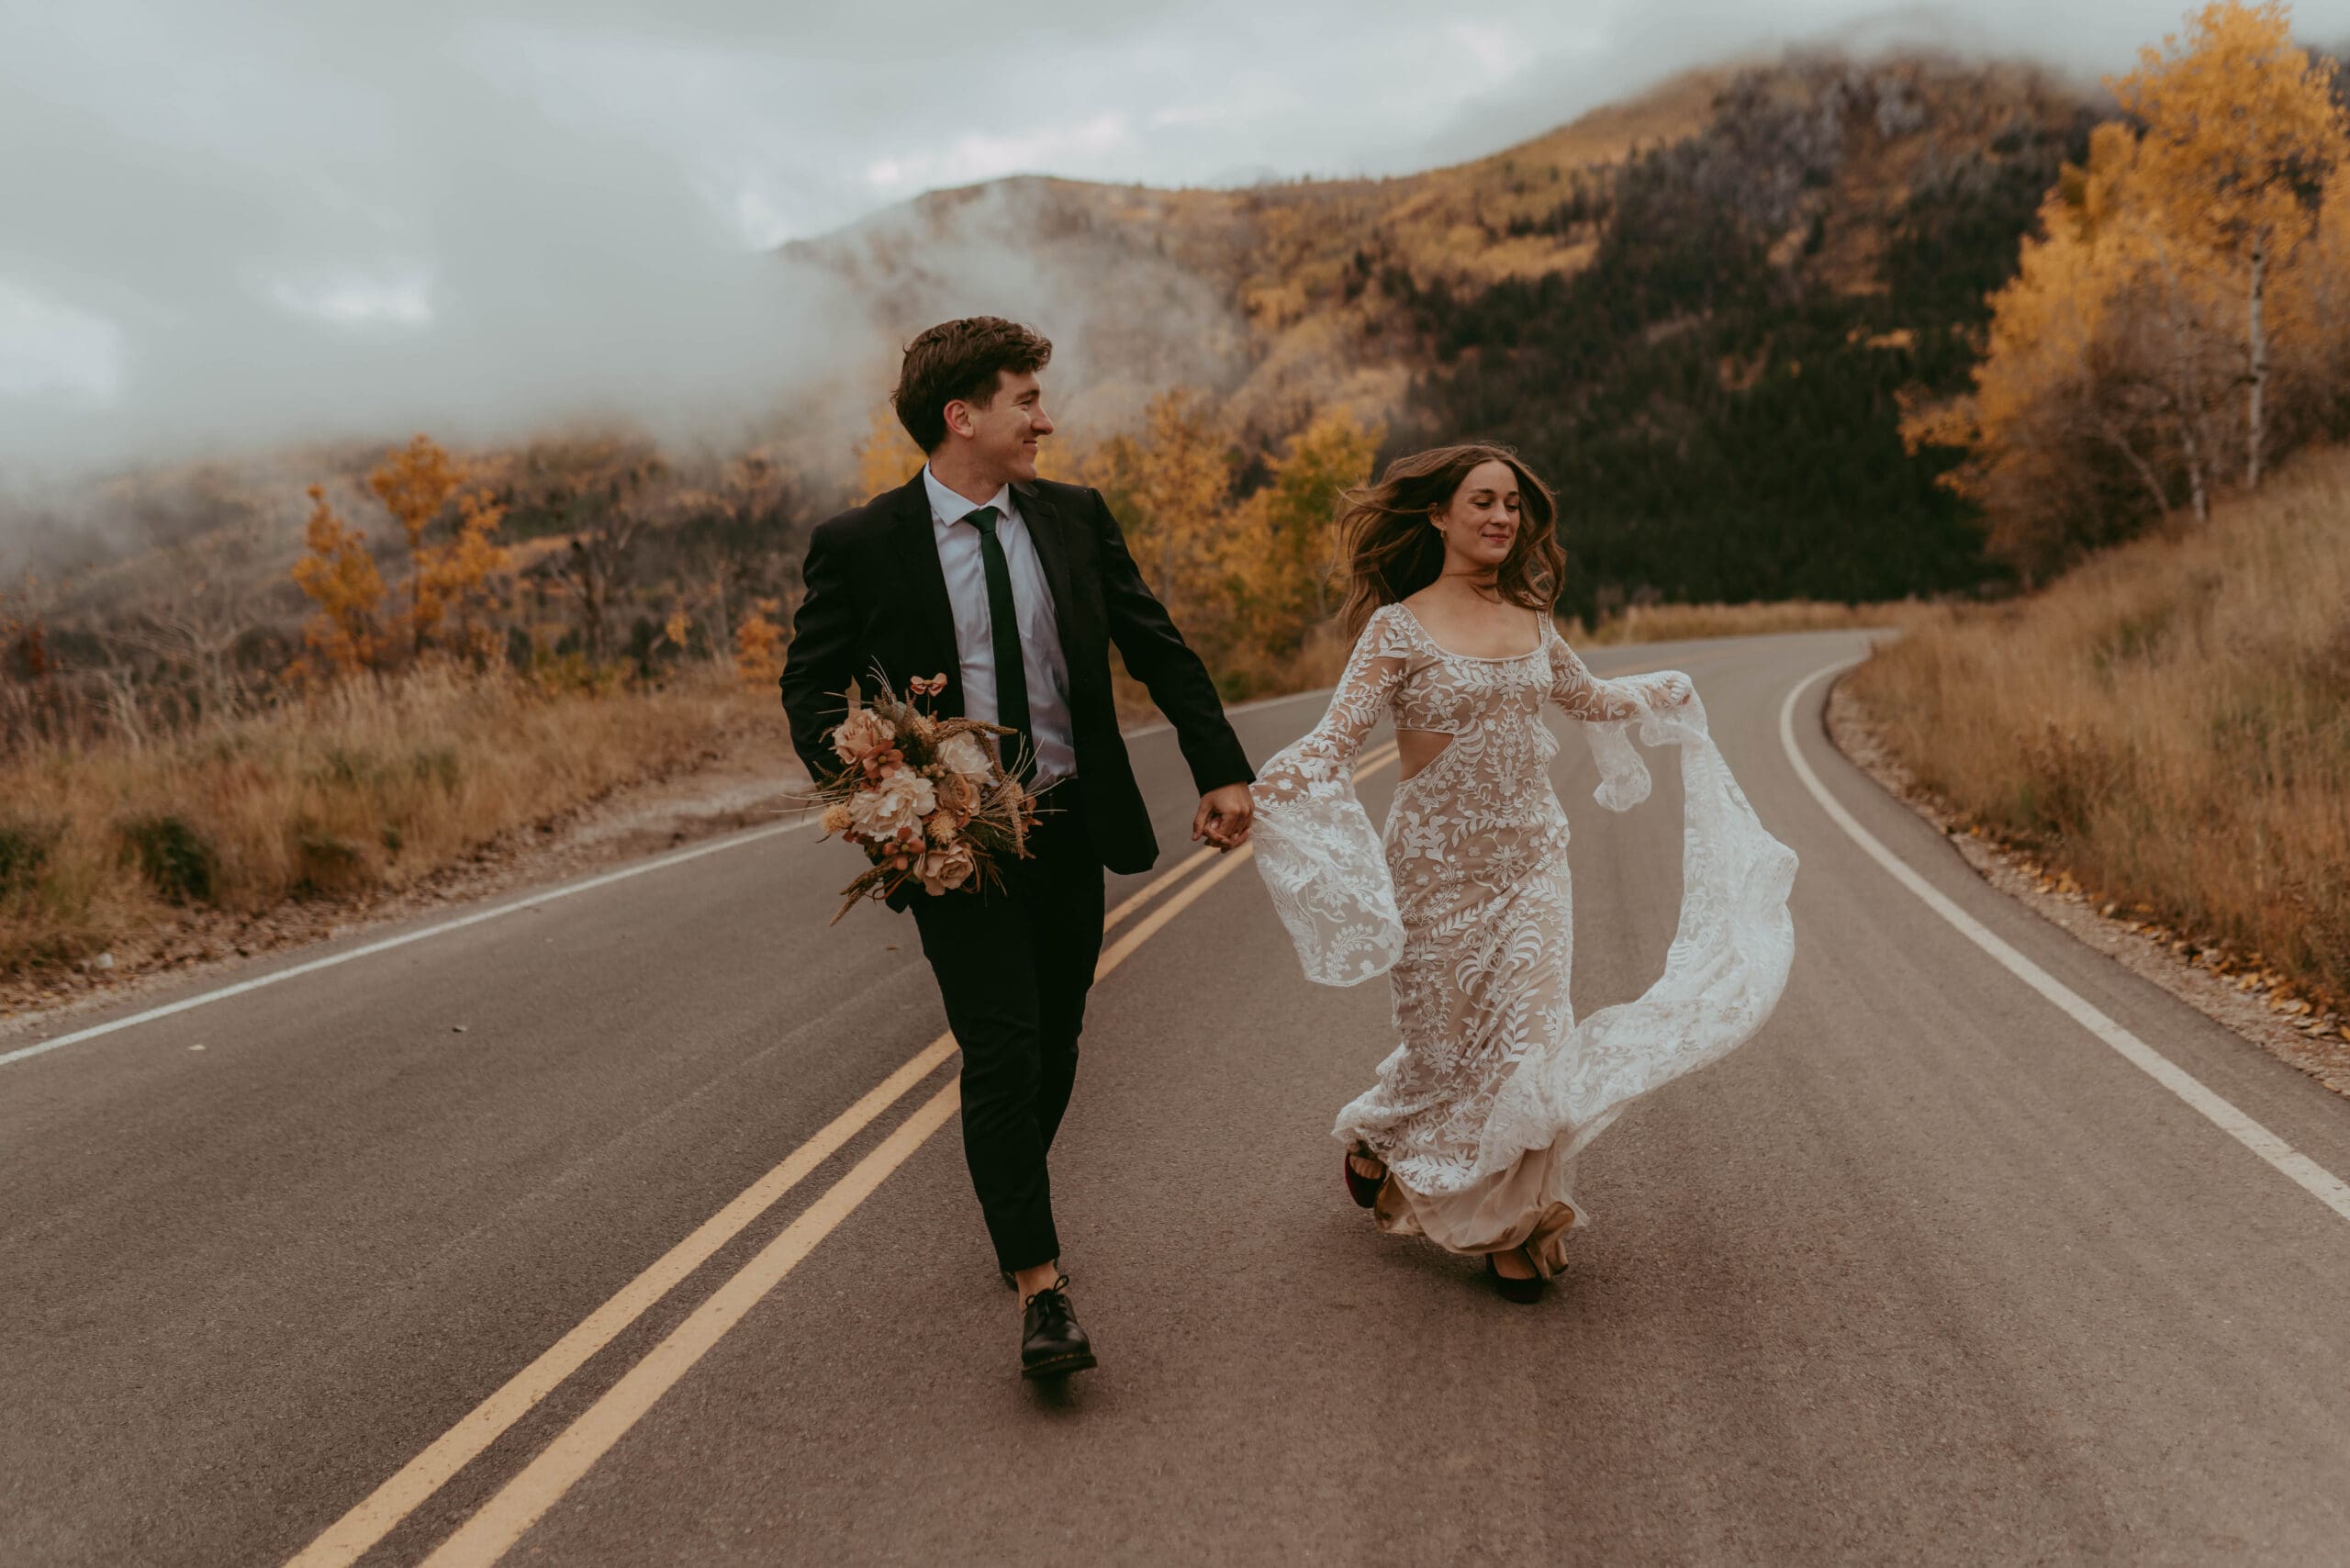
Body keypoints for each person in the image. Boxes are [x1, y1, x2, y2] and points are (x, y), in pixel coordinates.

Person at [780, 317, 1256, 1376]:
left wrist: (1222, 765)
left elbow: (1155, 644)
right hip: (955, 843)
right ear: (963, 417)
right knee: (1002, 1046)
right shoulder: (861, 543)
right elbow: (808, 687)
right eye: (1026, 401)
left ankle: (1008, 1192)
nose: (1046, 420)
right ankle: (1042, 1286)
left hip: (1072, 819)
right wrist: (876, 788)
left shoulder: (1076, 519)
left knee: (1059, 1038)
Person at [1247, 443, 1796, 1302]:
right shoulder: (1397, 628)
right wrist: (1264, 791)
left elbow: (1589, 700)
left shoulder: (1534, 617)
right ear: (1438, 515)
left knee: (1528, 1046)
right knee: (1444, 1052)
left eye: (1512, 505)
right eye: (1483, 503)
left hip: (1533, 861)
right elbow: (1334, 736)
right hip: (1435, 874)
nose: (1502, 519)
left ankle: (1511, 1225)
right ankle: (1381, 1136)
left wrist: (1666, 691)